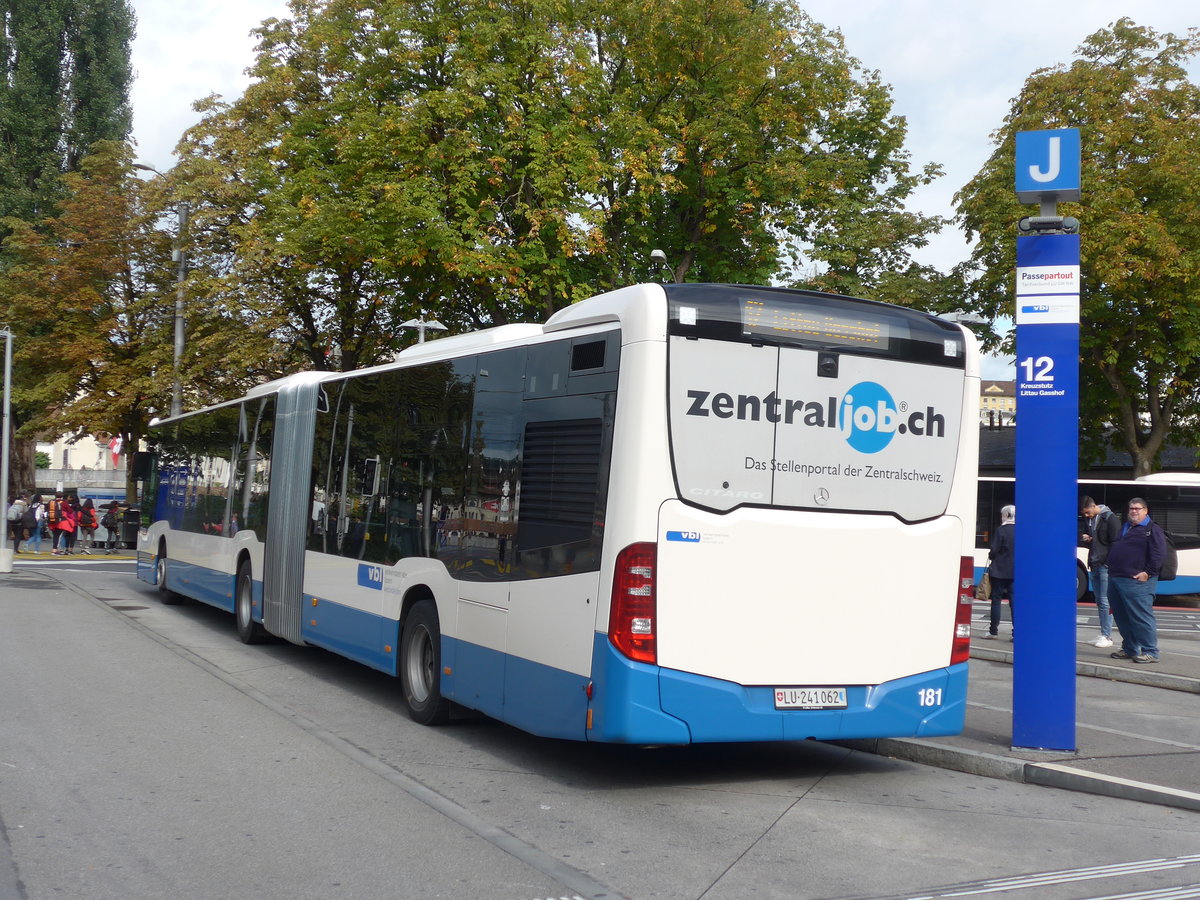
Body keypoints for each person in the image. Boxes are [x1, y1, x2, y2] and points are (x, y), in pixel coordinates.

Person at [1106, 497, 1166, 664]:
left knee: (1141, 617)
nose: (1133, 511)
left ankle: (1150, 652)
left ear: (1145, 511)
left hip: (1137, 582)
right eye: (1131, 508)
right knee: (1122, 617)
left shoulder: (1152, 529)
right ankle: (1130, 648)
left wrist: (1148, 573)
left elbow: (1159, 554)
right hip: (1116, 578)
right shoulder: (1125, 527)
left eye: (1137, 508)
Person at [1081, 495, 1121, 648]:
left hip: (1105, 565)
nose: (1086, 515)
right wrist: (1089, 539)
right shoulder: (1093, 519)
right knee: (1100, 601)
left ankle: (1107, 636)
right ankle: (1104, 633)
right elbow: (1101, 540)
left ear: (1094, 506)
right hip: (1095, 563)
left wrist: (1109, 562)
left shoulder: (1110, 518)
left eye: (1087, 512)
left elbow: (1116, 542)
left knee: (1104, 601)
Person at [985, 504, 1016, 639]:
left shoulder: (1000, 530)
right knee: (1014, 602)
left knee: (996, 600)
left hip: (999, 571)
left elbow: (994, 550)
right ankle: (1016, 633)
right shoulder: (1021, 530)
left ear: (1007, 515)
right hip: (1015, 571)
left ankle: (993, 631)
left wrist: (991, 555)